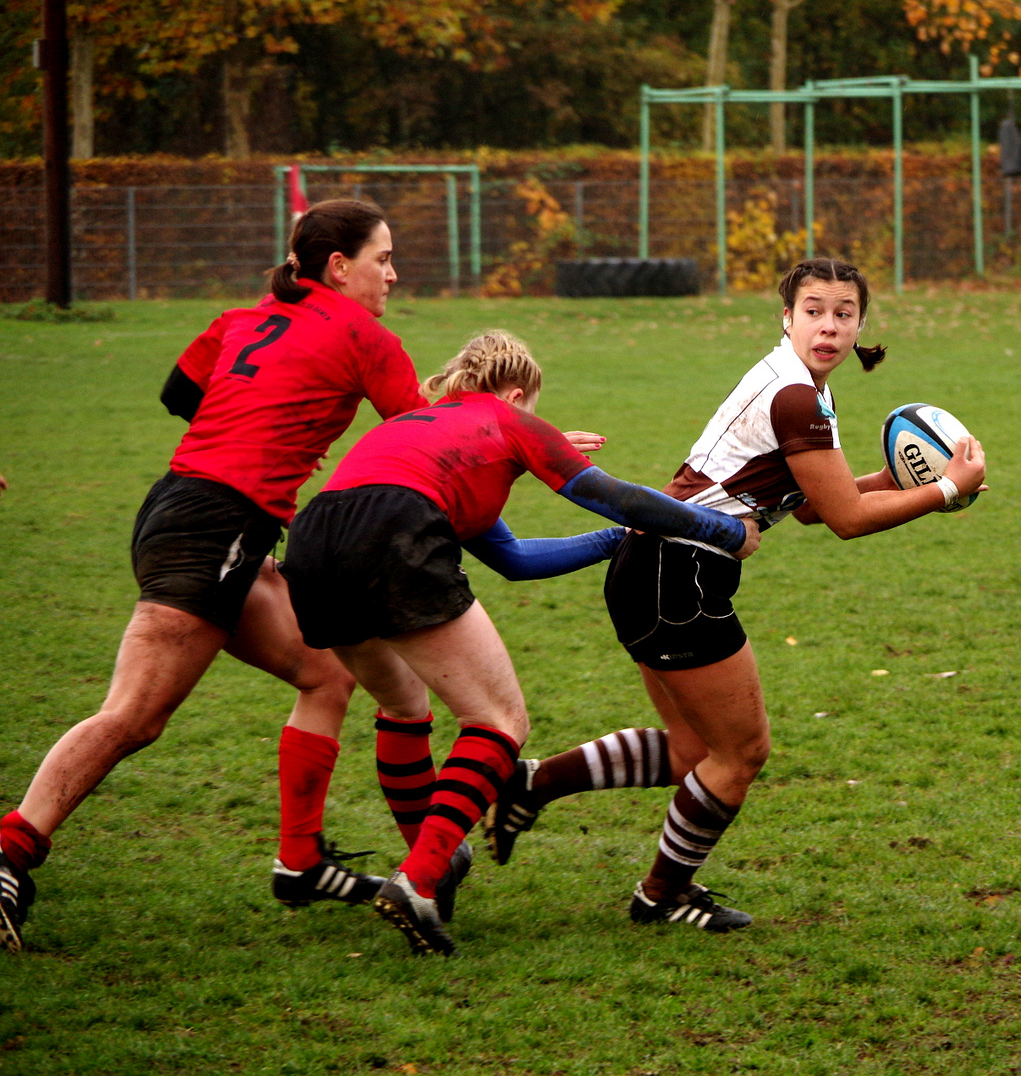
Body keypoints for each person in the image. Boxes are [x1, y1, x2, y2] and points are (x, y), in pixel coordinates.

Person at [482, 258, 988, 933]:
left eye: (844, 312)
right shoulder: (797, 397)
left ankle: (532, 784)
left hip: (650, 567)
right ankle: (661, 895)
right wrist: (946, 490)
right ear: (787, 317)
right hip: (679, 576)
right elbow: (844, 520)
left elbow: (810, 505)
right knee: (742, 753)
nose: (829, 326)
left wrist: (901, 476)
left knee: (694, 752)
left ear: (861, 323)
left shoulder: (797, 385)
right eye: (814, 310)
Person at [0, 200, 430, 952]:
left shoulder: (244, 316)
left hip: (187, 508)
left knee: (326, 673)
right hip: (215, 526)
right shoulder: (367, 337)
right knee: (135, 714)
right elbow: (421, 430)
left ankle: (299, 863)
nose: (392, 274)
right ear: (338, 266)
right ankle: (10, 854)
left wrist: (267, 431)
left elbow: (180, 393)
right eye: (382, 258)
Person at [279, 330, 760, 956]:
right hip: (393, 529)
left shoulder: (422, 427)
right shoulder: (508, 418)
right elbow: (611, 495)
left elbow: (513, 558)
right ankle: (419, 880)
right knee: (499, 719)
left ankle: (435, 861)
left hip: (315, 541)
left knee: (403, 706)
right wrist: (718, 529)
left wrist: (620, 545)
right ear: (514, 394)